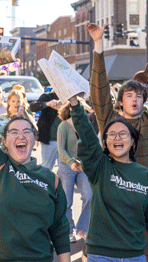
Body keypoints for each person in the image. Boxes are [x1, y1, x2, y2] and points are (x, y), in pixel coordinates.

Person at [85, 23, 148, 262]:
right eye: (129, 96)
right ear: (120, 101)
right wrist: (98, 45)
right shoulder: (110, 120)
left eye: (139, 96)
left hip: (140, 204)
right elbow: (99, 89)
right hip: (108, 208)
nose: (135, 99)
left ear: (144, 101)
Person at [0, 55, 70, 262]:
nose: (21, 136)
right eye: (14, 132)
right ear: (4, 140)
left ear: (35, 139)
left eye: (27, 132)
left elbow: (59, 228)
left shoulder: (52, 180)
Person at [69, 95, 148, 262]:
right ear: (105, 142)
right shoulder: (100, 168)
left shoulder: (143, 175)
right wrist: (75, 104)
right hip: (100, 255)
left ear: (133, 141)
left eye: (123, 134)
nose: (117, 138)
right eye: (111, 134)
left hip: (135, 256)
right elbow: (87, 138)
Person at [57, 101, 92, 243]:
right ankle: (69, 230)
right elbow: (61, 150)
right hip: (67, 166)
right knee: (67, 201)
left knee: (89, 196)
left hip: (82, 166)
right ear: (70, 110)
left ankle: (83, 228)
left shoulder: (84, 126)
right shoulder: (63, 126)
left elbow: (90, 145)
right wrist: (71, 162)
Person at [30, 91, 62, 170]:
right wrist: (47, 104)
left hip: (65, 141)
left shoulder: (70, 97)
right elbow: (33, 107)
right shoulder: (47, 96)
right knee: (46, 168)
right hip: (49, 140)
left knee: (64, 171)